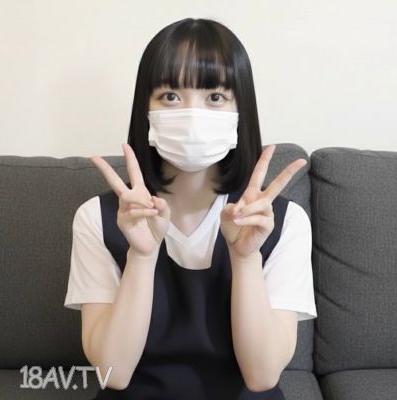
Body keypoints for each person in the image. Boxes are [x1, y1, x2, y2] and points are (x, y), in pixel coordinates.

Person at [64, 17, 317, 399]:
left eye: (214, 97)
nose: (193, 115)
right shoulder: (96, 218)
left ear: (240, 111)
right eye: (170, 96)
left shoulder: (284, 222)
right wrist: (141, 257)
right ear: (145, 109)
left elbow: (262, 376)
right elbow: (112, 372)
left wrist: (246, 258)